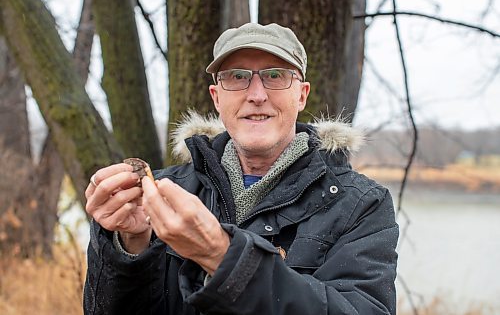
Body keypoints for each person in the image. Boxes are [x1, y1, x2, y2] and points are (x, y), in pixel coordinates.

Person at [83, 22, 399, 315]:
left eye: (275, 76)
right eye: (237, 77)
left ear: (301, 95)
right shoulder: (164, 193)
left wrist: (225, 259)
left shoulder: (361, 204)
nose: (257, 95)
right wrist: (130, 245)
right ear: (217, 98)